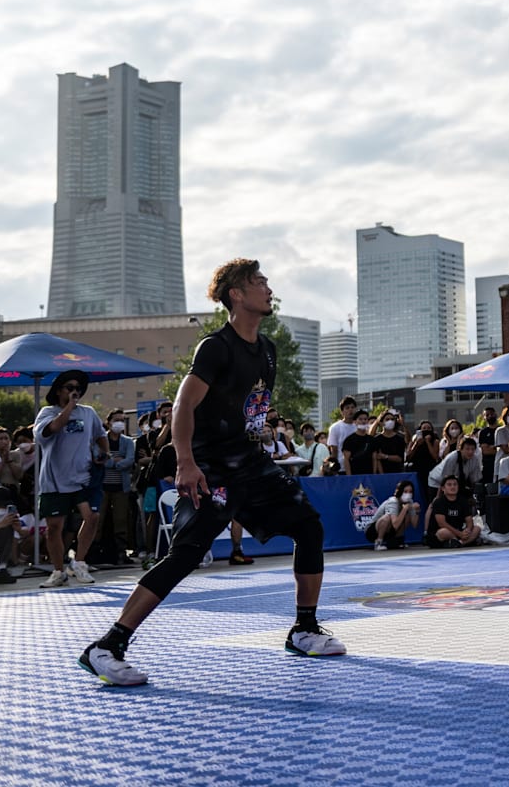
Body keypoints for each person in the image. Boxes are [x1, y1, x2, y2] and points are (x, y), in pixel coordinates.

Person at [78, 259, 344, 687]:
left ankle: (304, 629)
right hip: (211, 468)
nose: (269, 288)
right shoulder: (215, 347)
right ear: (236, 294)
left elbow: (249, 410)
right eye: (260, 282)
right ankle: (107, 645)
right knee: (184, 555)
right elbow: (183, 405)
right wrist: (185, 460)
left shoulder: (268, 350)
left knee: (309, 528)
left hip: (252, 464)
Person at [35, 369, 105, 587]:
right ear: (58, 391)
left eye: (78, 388)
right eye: (70, 388)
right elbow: (52, 429)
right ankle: (58, 571)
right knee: (54, 528)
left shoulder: (89, 413)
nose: (75, 392)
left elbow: (100, 435)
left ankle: (80, 563)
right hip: (54, 480)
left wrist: (104, 453)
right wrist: (69, 408)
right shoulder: (47, 412)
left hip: (82, 479)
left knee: (92, 517)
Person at [98, 409, 137, 564]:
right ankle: (94, 550)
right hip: (102, 486)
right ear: (108, 422)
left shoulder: (128, 441)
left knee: (121, 520)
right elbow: (99, 459)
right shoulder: (101, 440)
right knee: (98, 520)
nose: (119, 423)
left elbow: (130, 460)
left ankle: (121, 552)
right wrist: (113, 461)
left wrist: (113, 462)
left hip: (121, 487)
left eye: (122, 419)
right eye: (116, 420)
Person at [424, 475, 480, 547]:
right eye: (449, 485)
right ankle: (461, 541)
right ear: (443, 488)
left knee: (477, 529)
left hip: (459, 532)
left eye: (455, 484)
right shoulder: (439, 502)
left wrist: (468, 530)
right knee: (443, 532)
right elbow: (442, 523)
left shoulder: (463, 501)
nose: (452, 487)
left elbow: (469, 519)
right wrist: (459, 534)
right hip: (441, 533)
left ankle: (459, 543)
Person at [367, 479, 420, 550]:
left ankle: (397, 541)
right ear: (400, 492)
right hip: (373, 531)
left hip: (391, 531)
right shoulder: (393, 501)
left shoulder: (410, 502)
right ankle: (378, 542)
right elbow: (395, 525)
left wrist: (417, 512)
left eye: (410, 492)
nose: (408, 494)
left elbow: (414, 524)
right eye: (405, 492)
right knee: (387, 517)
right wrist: (404, 509)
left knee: (407, 515)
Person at [340, 410, 374, 475]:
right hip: (355, 474)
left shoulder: (371, 439)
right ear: (355, 422)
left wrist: (374, 474)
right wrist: (349, 476)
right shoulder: (349, 440)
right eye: (360, 419)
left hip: (369, 474)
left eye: (365, 419)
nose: (363, 421)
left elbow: (374, 458)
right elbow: (346, 460)